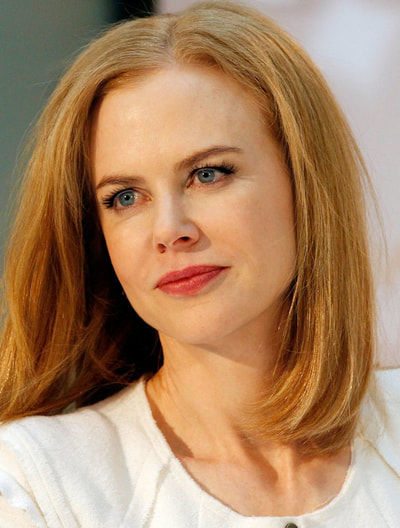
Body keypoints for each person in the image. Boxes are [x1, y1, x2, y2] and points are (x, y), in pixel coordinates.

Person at [0, 1, 398, 526]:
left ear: (305, 183)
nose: (169, 230)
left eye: (208, 174)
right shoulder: (38, 484)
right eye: (124, 197)